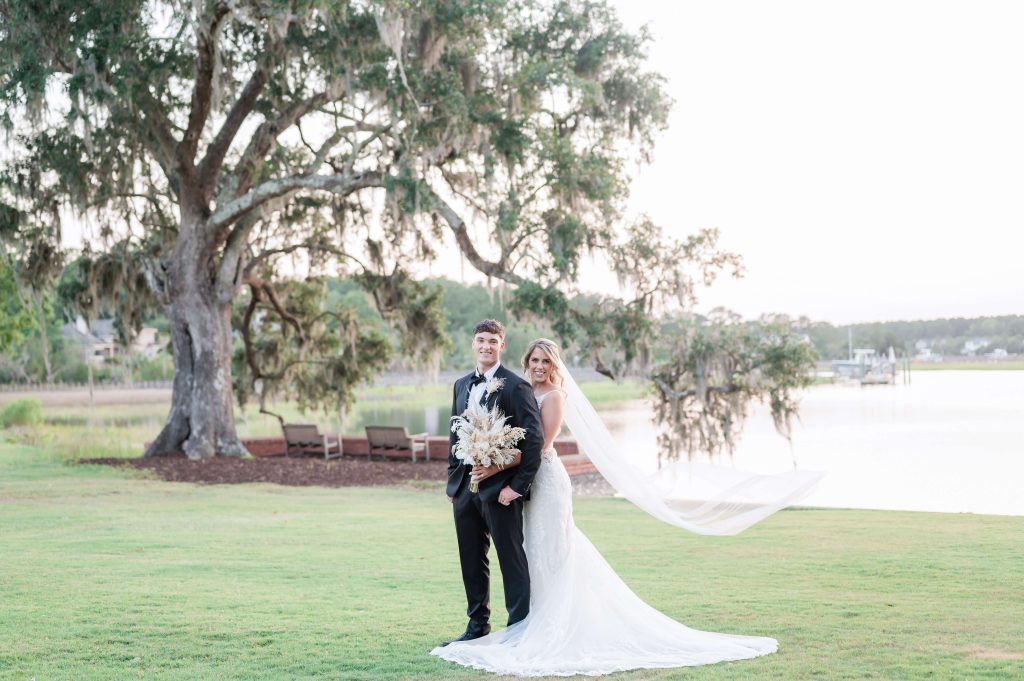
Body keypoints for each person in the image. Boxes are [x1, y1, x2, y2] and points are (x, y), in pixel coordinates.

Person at [431, 338, 781, 676]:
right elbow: (468, 434)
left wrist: (497, 470)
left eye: (545, 361)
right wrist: (458, 480)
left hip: (541, 480)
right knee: (530, 551)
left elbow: (538, 445)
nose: (539, 366)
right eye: (535, 360)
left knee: (547, 550)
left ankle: (534, 626)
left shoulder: (543, 393)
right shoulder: (498, 387)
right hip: (503, 483)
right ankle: (514, 623)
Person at [439, 320, 543, 647]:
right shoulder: (460, 385)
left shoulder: (516, 386)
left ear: (502, 346)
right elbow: (454, 435)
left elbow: (533, 441)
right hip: (464, 489)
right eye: (481, 340)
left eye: (492, 341)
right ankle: (477, 626)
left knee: (511, 560)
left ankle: (518, 632)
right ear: (473, 343)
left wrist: (517, 487)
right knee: (471, 559)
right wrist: (452, 482)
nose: (486, 346)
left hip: (501, 491)